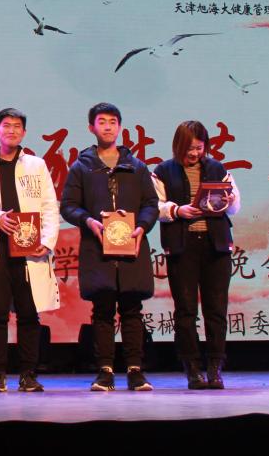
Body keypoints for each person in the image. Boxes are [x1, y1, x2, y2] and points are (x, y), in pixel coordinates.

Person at [61, 102, 159, 392]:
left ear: (120, 127)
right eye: (101, 121)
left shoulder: (137, 167)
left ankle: (135, 371)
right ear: (91, 127)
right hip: (98, 249)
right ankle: (105, 371)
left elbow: (151, 204)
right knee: (102, 311)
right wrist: (89, 221)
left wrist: (142, 226)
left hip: (132, 248)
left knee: (132, 310)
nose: (107, 126)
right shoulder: (82, 167)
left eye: (113, 121)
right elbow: (68, 206)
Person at [0, 108, 60, 392]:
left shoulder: (36, 165)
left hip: (29, 248)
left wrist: (47, 241)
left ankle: (28, 374)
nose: (12, 130)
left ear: (24, 133)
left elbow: (49, 206)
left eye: (17, 126)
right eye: (6, 126)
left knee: (29, 313)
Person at [152, 120, 241, 390]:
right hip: (183, 246)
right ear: (178, 145)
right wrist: (177, 210)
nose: (194, 153)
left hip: (216, 246)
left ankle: (215, 367)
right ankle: (192, 368)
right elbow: (153, 206)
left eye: (199, 148)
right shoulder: (163, 171)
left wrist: (228, 200)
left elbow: (235, 206)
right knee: (186, 310)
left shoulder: (217, 169)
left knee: (216, 308)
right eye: (190, 148)